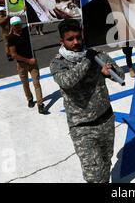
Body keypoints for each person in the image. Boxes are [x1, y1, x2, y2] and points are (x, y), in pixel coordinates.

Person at [50, 19, 125, 183]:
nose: (76, 42)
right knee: (94, 175)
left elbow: (121, 76)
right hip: (82, 127)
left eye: (78, 37)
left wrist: (109, 71)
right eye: (70, 39)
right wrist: (87, 60)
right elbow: (67, 81)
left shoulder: (96, 54)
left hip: (106, 119)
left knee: (106, 162)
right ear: (62, 41)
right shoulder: (58, 63)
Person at [8, 16, 47, 114]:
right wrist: (28, 60)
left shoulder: (26, 31)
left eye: (19, 24)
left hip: (32, 62)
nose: (18, 27)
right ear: (12, 26)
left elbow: (32, 22)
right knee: (25, 83)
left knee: (36, 82)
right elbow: (13, 54)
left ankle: (40, 104)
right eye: (15, 25)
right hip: (22, 64)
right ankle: (29, 98)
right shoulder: (11, 38)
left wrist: (27, 12)